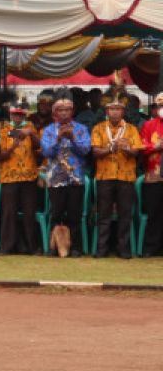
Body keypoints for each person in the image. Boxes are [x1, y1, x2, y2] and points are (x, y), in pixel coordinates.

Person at [41, 94, 92, 257]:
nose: (64, 113)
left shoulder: (81, 129)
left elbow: (86, 150)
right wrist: (58, 139)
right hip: (56, 179)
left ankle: (76, 248)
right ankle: (54, 247)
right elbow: (47, 152)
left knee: (74, 214)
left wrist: (73, 138)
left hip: (75, 178)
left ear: (72, 111)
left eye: (67, 110)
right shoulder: (49, 130)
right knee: (55, 214)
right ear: (55, 112)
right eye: (60, 110)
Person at [91, 97, 142, 259]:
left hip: (126, 176)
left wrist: (126, 148)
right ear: (107, 111)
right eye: (112, 109)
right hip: (105, 176)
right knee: (104, 215)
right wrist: (111, 148)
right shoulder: (98, 128)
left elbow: (136, 152)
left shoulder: (132, 129)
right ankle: (102, 249)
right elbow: (96, 152)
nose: (115, 111)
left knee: (124, 215)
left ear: (123, 111)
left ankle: (123, 249)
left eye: (118, 109)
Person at [0, 100, 42, 255]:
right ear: (10, 113)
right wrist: (13, 146)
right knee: (9, 213)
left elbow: (39, 147)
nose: (17, 117)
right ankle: (7, 247)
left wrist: (31, 133)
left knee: (29, 213)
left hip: (29, 175)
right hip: (9, 176)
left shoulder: (30, 127)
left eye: (21, 114)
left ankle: (32, 247)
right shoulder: (2, 129)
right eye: (15, 114)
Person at [139, 93, 163, 256]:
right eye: (159, 106)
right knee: (154, 213)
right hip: (154, 176)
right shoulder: (148, 125)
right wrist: (156, 146)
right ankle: (151, 248)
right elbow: (141, 147)